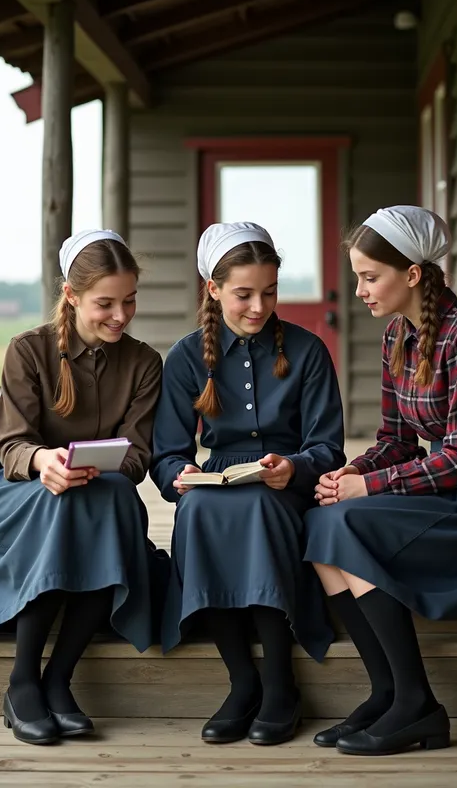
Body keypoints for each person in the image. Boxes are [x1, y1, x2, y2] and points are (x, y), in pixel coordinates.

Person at [303, 205, 457, 756]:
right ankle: (386, 691)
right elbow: (396, 440)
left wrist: (370, 489)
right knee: (321, 525)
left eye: (370, 277)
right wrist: (354, 470)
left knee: (350, 527)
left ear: (412, 273)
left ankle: (417, 704)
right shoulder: (397, 336)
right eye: (358, 277)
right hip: (444, 482)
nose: (361, 290)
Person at [0, 230, 169, 745]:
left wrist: (95, 467)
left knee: (110, 503)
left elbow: (137, 458)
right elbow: (12, 446)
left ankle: (57, 679)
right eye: (105, 303)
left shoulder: (145, 363)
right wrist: (44, 461)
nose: (121, 315)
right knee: (63, 504)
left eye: (129, 301)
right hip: (18, 490)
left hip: (98, 490)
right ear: (71, 295)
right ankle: (23, 682)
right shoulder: (28, 351)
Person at [151, 221, 346, 746]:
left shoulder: (308, 351)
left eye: (269, 292)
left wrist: (295, 469)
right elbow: (167, 453)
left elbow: (328, 447)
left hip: (284, 483)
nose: (258, 305)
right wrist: (181, 477)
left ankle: (281, 684)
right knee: (197, 513)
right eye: (243, 294)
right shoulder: (187, 356)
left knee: (259, 505)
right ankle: (242, 681)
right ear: (213, 290)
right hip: (218, 479)